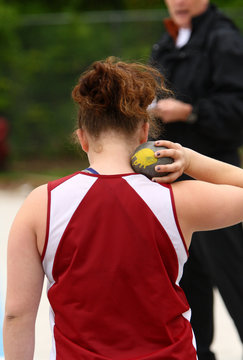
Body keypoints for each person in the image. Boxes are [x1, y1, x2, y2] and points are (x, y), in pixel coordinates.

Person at [3, 57, 243, 360]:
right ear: (145, 135)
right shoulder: (176, 200)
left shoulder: (41, 203)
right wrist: (192, 160)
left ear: (82, 138)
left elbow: (16, 314)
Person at [149, 1, 243, 359]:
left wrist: (191, 112)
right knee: (185, 282)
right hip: (172, 182)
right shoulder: (169, 39)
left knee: (234, 277)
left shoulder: (224, 39)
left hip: (218, 179)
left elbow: (238, 112)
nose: (180, 1)